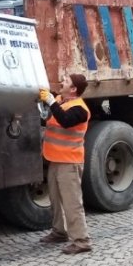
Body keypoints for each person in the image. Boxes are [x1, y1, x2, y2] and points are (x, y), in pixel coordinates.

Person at [37, 74, 92, 255]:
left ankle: (81, 241)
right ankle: (59, 232)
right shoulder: (61, 101)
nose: (62, 82)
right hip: (55, 159)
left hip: (69, 162)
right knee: (55, 199)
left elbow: (66, 121)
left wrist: (51, 101)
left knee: (72, 202)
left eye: (66, 81)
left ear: (74, 89)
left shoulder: (80, 110)